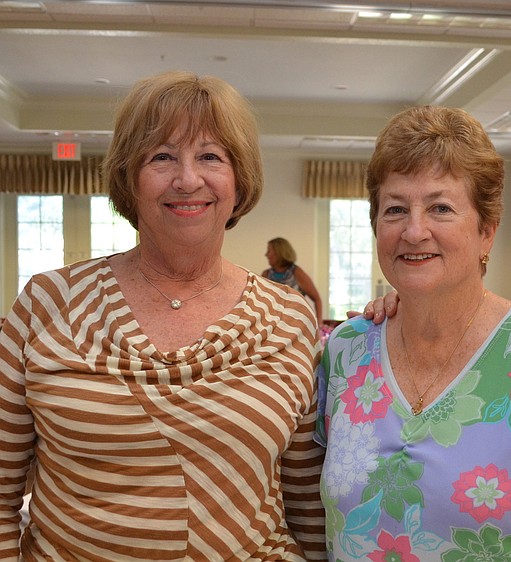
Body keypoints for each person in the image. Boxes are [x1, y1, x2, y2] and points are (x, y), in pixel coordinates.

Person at [0, 71, 325, 560]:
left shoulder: (290, 319)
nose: (188, 178)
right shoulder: (49, 302)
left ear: (240, 181)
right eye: (162, 156)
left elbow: (305, 502)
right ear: (130, 180)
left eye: (211, 156)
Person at [315, 105, 511, 560]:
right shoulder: (345, 352)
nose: (414, 230)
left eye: (440, 208)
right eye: (395, 209)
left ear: (487, 232)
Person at [263, 237, 324, 326]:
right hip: (272, 323)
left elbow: (317, 299)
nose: (266, 255)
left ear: (279, 252)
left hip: (295, 323)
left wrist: (319, 323)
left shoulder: (296, 272)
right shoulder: (266, 274)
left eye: (269, 251)